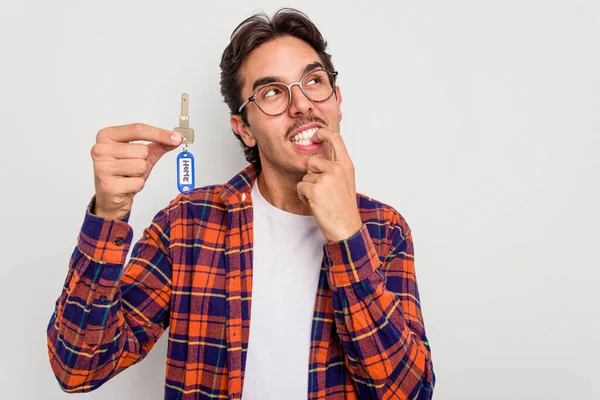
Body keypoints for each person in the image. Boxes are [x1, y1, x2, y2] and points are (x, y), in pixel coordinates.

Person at [47, 8, 435, 400]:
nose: (301, 105)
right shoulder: (186, 225)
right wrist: (108, 216)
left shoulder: (384, 229)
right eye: (271, 92)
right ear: (244, 129)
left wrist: (346, 233)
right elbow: (79, 367)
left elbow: (409, 394)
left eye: (313, 81)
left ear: (336, 100)